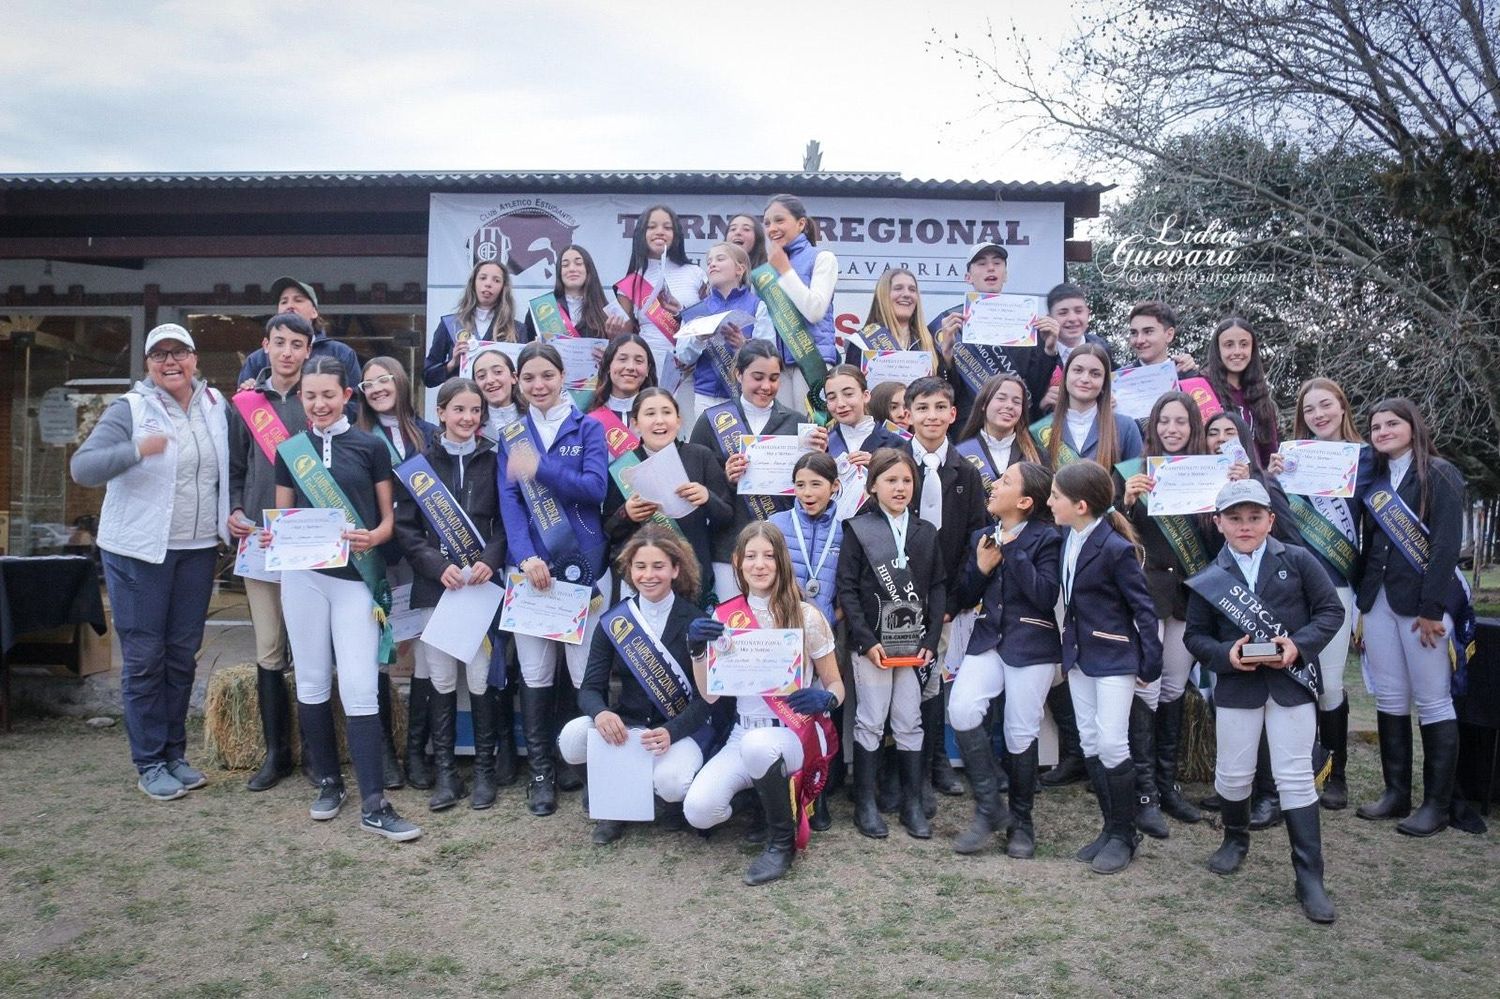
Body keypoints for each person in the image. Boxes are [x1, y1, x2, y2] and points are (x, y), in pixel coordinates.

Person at [71, 323, 230, 801]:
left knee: (181, 657)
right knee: (145, 660)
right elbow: (83, 467)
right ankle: (149, 762)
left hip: (198, 549)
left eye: (178, 352)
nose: (170, 362)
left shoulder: (216, 406)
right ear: (148, 365)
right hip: (140, 553)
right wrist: (137, 448)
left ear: (194, 358)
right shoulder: (130, 408)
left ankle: (175, 755)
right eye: (159, 355)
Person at [268, 356, 420, 841]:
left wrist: (374, 539)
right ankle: (329, 783)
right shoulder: (291, 451)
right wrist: (274, 536)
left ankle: (374, 801)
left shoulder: (371, 446)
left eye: (328, 395)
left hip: (355, 579)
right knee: (311, 681)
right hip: (303, 579)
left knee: (358, 682)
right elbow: (282, 516)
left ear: (346, 395)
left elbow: (387, 521)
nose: (318, 404)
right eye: (310, 396)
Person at [1184, 479, 1343, 923]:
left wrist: (1298, 646)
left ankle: (1309, 876)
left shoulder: (1298, 560)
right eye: (1234, 518)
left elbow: (1331, 611)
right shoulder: (1209, 577)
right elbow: (1195, 636)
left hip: (1290, 684)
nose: (1245, 525)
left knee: (1294, 776)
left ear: (1271, 520)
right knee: (1234, 776)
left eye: (1255, 517)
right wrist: (1226, 656)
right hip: (1238, 687)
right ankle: (1235, 840)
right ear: (1218, 524)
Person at [684, 523, 847, 886]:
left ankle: (781, 844)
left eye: (769, 556)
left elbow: (836, 684)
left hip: (792, 734)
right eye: (751, 556)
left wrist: (826, 697)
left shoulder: (807, 616)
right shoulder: (724, 617)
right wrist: (697, 650)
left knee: (760, 747)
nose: (760, 565)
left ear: (782, 562)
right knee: (699, 811)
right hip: (743, 733)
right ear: (738, 563)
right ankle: (766, 799)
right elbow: (710, 695)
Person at [495, 342, 610, 817]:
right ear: (519, 384)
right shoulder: (512, 435)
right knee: (536, 674)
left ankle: (582, 767)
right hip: (533, 575)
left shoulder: (590, 428)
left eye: (547, 376)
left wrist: (541, 467)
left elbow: (595, 489)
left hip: (581, 565)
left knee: (584, 675)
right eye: (529, 379)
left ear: (564, 377)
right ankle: (541, 771)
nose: (538, 385)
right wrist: (523, 558)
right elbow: (511, 506)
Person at [561, 527, 725, 844]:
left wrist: (672, 732)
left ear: (675, 569)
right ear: (630, 570)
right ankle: (608, 802)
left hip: (679, 729)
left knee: (672, 782)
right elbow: (590, 688)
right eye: (640, 566)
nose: (649, 575)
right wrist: (601, 715)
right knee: (571, 737)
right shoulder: (614, 621)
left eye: (658, 566)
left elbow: (708, 700)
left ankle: (666, 804)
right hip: (630, 725)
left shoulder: (694, 621)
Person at [393, 378, 508, 812]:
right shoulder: (419, 464)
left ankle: (482, 772)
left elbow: (503, 523)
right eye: (459, 410)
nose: (468, 418)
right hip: (436, 586)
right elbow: (406, 528)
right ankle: (445, 774)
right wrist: (436, 567)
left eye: (475, 411)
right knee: (440, 678)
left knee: (478, 677)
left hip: (479, 588)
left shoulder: (492, 461)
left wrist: (491, 560)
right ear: (441, 412)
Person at [1354, 398, 1468, 838]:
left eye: (1392, 424)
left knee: (1434, 699)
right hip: (1380, 599)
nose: (1382, 431)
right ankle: (1395, 793)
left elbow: (1443, 545)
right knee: (1389, 696)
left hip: (1423, 607)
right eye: (1376, 426)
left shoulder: (1439, 472)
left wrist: (1431, 609)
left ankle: (1436, 805)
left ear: (1412, 425)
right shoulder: (1377, 478)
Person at [1048, 461, 1162, 874]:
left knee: (1114, 743)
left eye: (1056, 497)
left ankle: (1126, 833)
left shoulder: (1114, 547)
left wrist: (1150, 661)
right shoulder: (1070, 538)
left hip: (1113, 657)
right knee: (1092, 742)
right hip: (1079, 657)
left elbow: (1143, 609)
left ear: (1080, 505)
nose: (1049, 502)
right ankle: (1111, 828)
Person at [948, 461, 1061, 858]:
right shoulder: (983, 535)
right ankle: (990, 807)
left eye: (1006, 481)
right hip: (987, 641)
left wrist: (1013, 553)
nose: (995, 485)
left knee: (1020, 732)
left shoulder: (1049, 538)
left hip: (1032, 645)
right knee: (961, 710)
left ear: (1026, 501)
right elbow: (962, 597)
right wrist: (980, 568)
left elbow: (1045, 595)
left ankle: (1022, 823)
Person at [837, 448, 947, 839]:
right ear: (873, 486)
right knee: (870, 719)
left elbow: (936, 587)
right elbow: (847, 590)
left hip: (914, 647)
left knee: (909, 719)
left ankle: (913, 802)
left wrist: (931, 640)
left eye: (906, 481)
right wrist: (866, 641)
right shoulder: (857, 529)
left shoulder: (926, 532)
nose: (900, 487)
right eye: (890, 480)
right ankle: (865, 803)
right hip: (874, 649)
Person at [1117, 391, 1214, 834]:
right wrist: (1126, 503)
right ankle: (1144, 793)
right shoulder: (1132, 474)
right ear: (1152, 427)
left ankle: (1167, 784)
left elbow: (1219, 541)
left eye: (1181, 423)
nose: (1172, 430)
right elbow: (1113, 538)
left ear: (1194, 428)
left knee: (1174, 688)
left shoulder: (1208, 474)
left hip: (1188, 597)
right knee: (1147, 688)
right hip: (1148, 596)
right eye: (1164, 422)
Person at [225, 312, 313, 792]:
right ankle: (276, 754)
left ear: (307, 350)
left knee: (310, 646)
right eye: (279, 342)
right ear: (265, 346)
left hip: (309, 539)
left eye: (296, 344)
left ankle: (315, 752)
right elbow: (235, 468)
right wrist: (235, 509)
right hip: (261, 540)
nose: (286, 352)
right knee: (269, 648)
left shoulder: (317, 397)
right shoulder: (245, 404)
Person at [1274, 377, 1369, 809]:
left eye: (1326, 405)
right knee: (1293, 681)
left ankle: (1335, 773)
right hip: (1294, 585)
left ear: (1343, 407)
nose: (1318, 415)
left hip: (1339, 584)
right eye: (1310, 409)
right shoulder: (1292, 461)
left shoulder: (1367, 460)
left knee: (1329, 684)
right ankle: (1291, 769)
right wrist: (1273, 479)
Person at [904, 375, 989, 811]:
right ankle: (903, 767)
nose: (931, 416)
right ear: (907, 415)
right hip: (897, 595)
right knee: (902, 678)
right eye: (922, 408)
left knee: (933, 678)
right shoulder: (895, 463)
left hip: (946, 599)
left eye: (940, 408)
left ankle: (938, 760)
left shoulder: (967, 472)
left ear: (953, 414)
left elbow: (976, 539)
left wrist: (956, 599)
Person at [355, 355, 436, 788]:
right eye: (368, 383)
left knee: (421, 648)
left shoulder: (428, 434)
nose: (378, 388)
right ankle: (384, 752)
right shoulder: (354, 436)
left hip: (418, 557)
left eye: (384, 379)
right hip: (376, 559)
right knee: (379, 654)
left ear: (401, 382)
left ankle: (418, 752)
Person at [689, 340, 801, 601]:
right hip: (729, 546)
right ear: (738, 374)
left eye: (774, 378)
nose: (766, 386)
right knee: (734, 630)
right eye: (757, 377)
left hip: (780, 547)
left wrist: (816, 452)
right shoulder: (712, 420)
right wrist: (724, 477)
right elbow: (696, 484)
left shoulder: (798, 422)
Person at [602, 387, 733, 603]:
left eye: (666, 412)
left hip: (693, 575)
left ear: (679, 420)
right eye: (650, 414)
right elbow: (608, 530)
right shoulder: (623, 469)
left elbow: (727, 515)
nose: (660, 421)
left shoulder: (700, 456)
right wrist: (626, 514)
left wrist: (707, 497)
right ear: (635, 424)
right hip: (644, 580)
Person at [929, 243, 1051, 424]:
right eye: (981, 264)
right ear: (968, 277)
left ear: (1006, 274)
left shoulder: (1028, 323)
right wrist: (946, 355)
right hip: (968, 428)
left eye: (997, 263)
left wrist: (1049, 350)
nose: (991, 268)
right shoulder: (950, 323)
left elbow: (1036, 387)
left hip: (1015, 424)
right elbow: (942, 392)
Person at [614, 204, 706, 409]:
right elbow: (625, 337)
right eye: (652, 226)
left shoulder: (696, 274)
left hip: (691, 370)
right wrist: (612, 331)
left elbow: (708, 321)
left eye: (667, 227)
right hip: (649, 370)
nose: (660, 232)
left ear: (676, 235)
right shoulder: (632, 282)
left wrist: (682, 313)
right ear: (641, 234)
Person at [754, 194, 839, 412]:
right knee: (785, 437)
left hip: (812, 360)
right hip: (778, 367)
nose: (772, 228)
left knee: (812, 434)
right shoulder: (767, 270)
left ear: (801, 223)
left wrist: (785, 270)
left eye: (779, 220)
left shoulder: (822, 258)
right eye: (767, 223)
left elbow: (815, 310)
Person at [236, 277, 362, 404]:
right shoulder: (257, 359)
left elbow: (356, 405)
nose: (290, 306)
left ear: (314, 312)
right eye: (284, 302)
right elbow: (244, 408)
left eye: (298, 300)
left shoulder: (340, 353)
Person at [676, 242, 757, 418]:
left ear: (739, 269)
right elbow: (682, 355)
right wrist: (698, 339)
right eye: (709, 261)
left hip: (744, 395)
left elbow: (768, 351)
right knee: (705, 445)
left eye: (720, 259)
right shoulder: (696, 310)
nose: (712, 264)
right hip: (704, 394)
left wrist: (743, 346)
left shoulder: (757, 305)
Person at [1042, 343, 1143, 468]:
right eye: (1078, 370)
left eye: (1095, 374)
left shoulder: (1125, 427)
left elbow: (1137, 481)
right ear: (1066, 375)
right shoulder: (1042, 429)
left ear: (1104, 382)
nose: (1085, 379)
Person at [424, 260, 522, 388]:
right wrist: (452, 364)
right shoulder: (450, 325)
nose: (488, 284)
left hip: (499, 403)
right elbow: (428, 378)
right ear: (473, 283)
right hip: (462, 402)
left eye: (496, 280)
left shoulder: (517, 329)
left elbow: (523, 376)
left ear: (504, 288)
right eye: (482, 278)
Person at [1205, 317, 1279, 466]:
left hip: (1253, 483)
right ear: (1218, 350)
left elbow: (1269, 453)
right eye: (1229, 345)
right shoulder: (1203, 389)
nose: (1237, 351)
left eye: (1244, 344)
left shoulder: (1261, 398)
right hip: (1212, 480)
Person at [954, 373, 1047, 489]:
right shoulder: (960, 454)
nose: (1009, 406)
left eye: (1017, 402)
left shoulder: (1038, 457)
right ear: (983, 404)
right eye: (1001, 398)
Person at [848, 268, 940, 375]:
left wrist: (947, 360)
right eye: (898, 288)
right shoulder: (863, 341)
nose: (907, 294)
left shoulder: (929, 342)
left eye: (912, 289)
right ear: (883, 295)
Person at [821, 365, 908, 468]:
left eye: (848, 394)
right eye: (832, 398)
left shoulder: (896, 442)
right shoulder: (823, 444)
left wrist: (879, 465)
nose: (840, 404)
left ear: (866, 396)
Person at [522, 244, 611, 341]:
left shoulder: (605, 311)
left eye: (578, 263)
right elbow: (526, 349)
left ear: (588, 269)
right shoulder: (541, 308)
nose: (572, 269)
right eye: (565, 265)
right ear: (559, 272)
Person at [587, 333, 658, 425]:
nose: (630, 367)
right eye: (623, 359)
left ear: (647, 369)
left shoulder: (659, 417)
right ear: (609, 366)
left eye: (639, 361)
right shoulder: (590, 417)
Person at [1123, 301, 1198, 376]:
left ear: (1169, 335)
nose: (1139, 340)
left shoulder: (1190, 377)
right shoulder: (1118, 380)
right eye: (1134, 333)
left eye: (1148, 332)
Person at [470, 343, 522, 441]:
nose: (490, 380)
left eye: (498, 372)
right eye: (481, 376)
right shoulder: (470, 427)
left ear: (514, 377)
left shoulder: (535, 418)